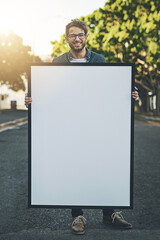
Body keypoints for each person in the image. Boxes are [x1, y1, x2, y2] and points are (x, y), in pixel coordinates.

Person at [25, 19, 139, 235]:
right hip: (69, 123)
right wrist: (33, 100)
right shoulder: (58, 62)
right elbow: (50, 93)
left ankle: (110, 213)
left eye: (80, 35)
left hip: (97, 122)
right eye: (72, 35)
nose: (77, 39)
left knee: (102, 164)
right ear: (66, 38)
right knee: (74, 165)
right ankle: (77, 216)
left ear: (86, 37)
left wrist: (129, 95)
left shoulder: (99, 59)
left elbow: (108, 91)